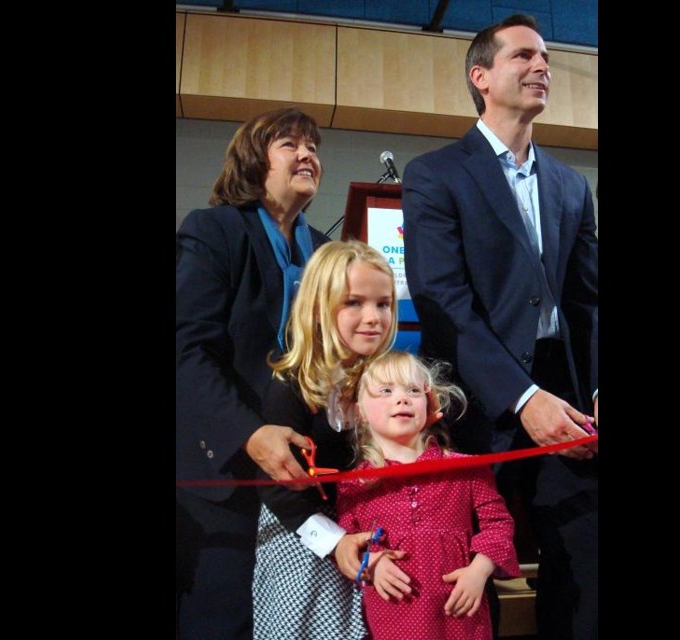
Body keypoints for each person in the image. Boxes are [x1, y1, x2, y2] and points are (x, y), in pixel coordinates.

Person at [401, 13, 599, 640]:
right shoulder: (435, 173)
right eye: (524, 57)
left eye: (545, 58)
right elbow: (441, 299)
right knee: (464, 574)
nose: (542, 67)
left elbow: (589, 304)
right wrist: (522, 396)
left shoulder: (571, 185)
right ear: (480, 76)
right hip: (477, 400)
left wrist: (593, 390)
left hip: (563, 398)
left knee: (583, 562)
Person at [176, 107, 330, 640]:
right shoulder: (214, 230)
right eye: (291, 145)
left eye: (313, 146)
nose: (308, 153)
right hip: (225, 475)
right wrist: (249, 431)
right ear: (252, 160)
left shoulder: (324, 255)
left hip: (302, 477)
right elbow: (185, 349)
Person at [252, 240, 401, 640]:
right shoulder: (292, 385)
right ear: (319, 306)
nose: (373, 317)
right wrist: (334, 542)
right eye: (353, 303)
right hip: (301, 542)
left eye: (383, 304)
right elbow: (278, 492)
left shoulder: (388, 384)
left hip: (367, 539)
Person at [336, 351, 520, 640]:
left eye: (413, 390)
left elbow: (498, 525)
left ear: (430, 403)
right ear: (360, 411)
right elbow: (347, 541)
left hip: (461, 615)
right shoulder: (355, 484)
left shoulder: (467, 468)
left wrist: (479, 572)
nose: (402, 398)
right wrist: (372, 562)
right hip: (393, 617)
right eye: (386, 390)